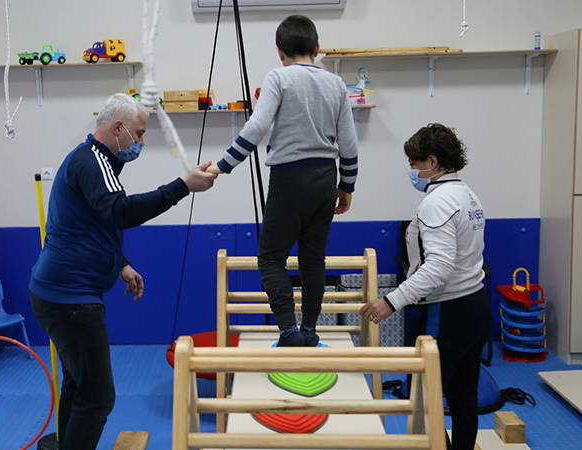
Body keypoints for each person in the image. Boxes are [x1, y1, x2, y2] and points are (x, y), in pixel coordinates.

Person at [28, 93, 217, 449]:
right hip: (69, 300)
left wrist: (121, 263)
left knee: (79, 386)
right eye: (139, 133)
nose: (141, 142)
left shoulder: (97, 161)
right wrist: (182, 187)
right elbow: (122, 212)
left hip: (59, 294)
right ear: (118, 128)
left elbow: (94, 224)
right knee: (98, 396)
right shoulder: (93, 160)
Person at [207, 15, 359, 347]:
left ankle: (289, 331)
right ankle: (310, 331)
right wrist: (346, 187)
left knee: (271, 258)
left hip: (289, 178)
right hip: (325, 178)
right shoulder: (336, 84)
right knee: (313, 259)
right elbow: (349, 144)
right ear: (317, 48)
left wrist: (221, 166)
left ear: (280, 52)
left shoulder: (278, 77)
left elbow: (256, 127)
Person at [361, 123, 489, 450]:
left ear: (432, 161)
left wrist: (391, 301)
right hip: (475, 304)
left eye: (413, 163)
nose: (411, 170)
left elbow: (439, 267)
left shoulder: (437, 202)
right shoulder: (468, 194)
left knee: (424, 397)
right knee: (463, 396)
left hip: (447, 311)